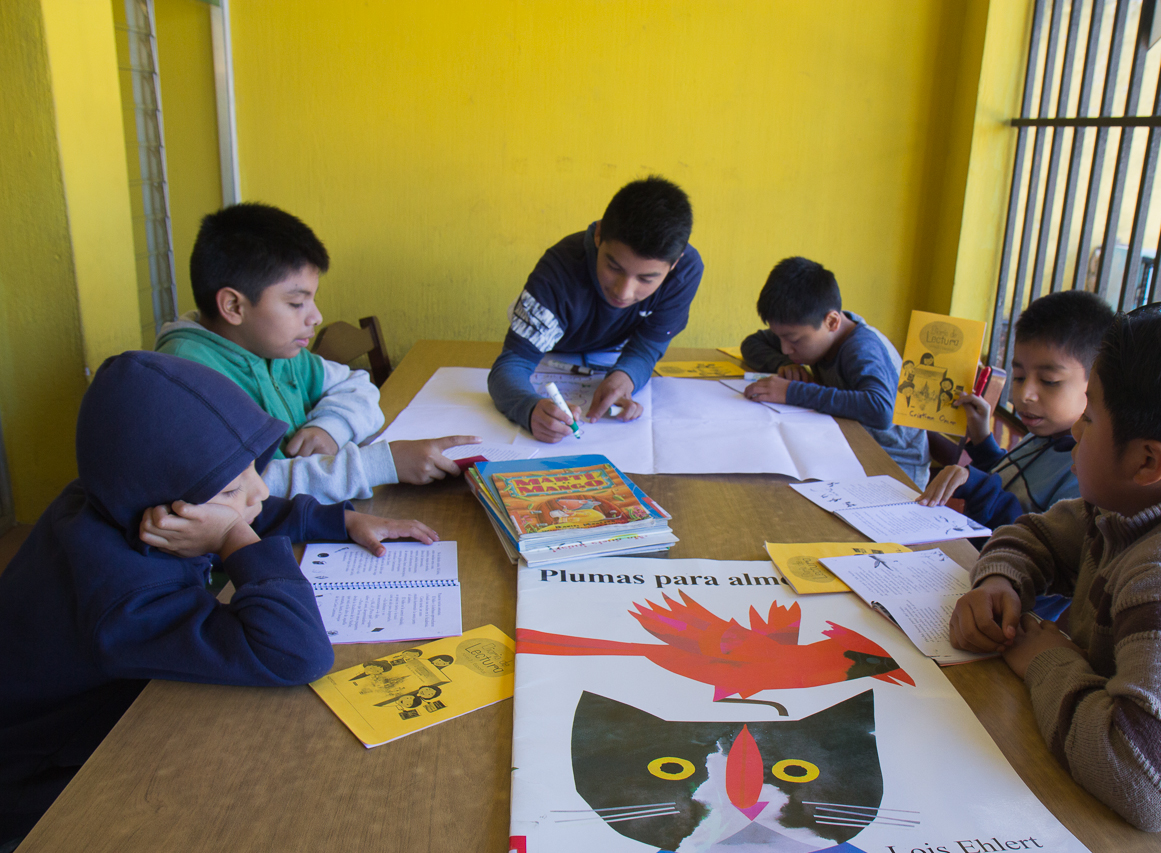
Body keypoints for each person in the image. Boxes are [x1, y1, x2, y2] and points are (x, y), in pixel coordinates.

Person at [0, 351, 438, 846]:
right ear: (167, 513)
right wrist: (234, 538)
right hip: (44, 782)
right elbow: (297, 653)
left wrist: (338, 520)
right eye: (231, 489)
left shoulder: (115, 495)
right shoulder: (122, 601)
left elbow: (245, 507)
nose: (256, 491)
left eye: (254, 468)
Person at [949, 303, 1161, 848]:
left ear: (1148, 463)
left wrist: (1045, 661)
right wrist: (999, 582)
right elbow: (1036, 535)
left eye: (1091, 416)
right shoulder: (1137, 511)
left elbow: (1152, 783)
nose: (1076, 428)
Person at [156, 202, 479, 502]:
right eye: (296, 303)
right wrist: (378, 466)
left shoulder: (273, 350)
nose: (315, 317)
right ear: (233, 305)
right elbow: (242, 491)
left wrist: (330, 427)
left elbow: (355, 385)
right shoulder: (187, 380)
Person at [487, 176, 703, 443]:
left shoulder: (685, 272)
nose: (623, 292)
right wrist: (529, 408)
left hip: (611, 355)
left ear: (674, 265)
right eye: (614, 268)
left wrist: (626, 376)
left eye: (646, 280)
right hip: (551, 349)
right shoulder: (558, 270)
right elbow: (511, 364)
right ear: (599, 235)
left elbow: (649, 345)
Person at [917, 291, 1115, 533]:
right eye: (1019, 377)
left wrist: (980, 486)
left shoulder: (1082, 471)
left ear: (1095, 383)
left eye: (1049, 380)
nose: (1024, 395)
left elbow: (1038, 542)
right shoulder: (1043, 434)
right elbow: (1009, 477)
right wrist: (982, 441)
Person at [739, 257, 929, 487]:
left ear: (831, 321)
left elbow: (880, 410)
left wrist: (792, 391)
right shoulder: (809, 327)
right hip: (848, 443)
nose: (786, 348)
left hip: (893, 465)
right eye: (780, 338)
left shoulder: (862, 349)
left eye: (793, 340)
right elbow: (752, 343)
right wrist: (784, 364)